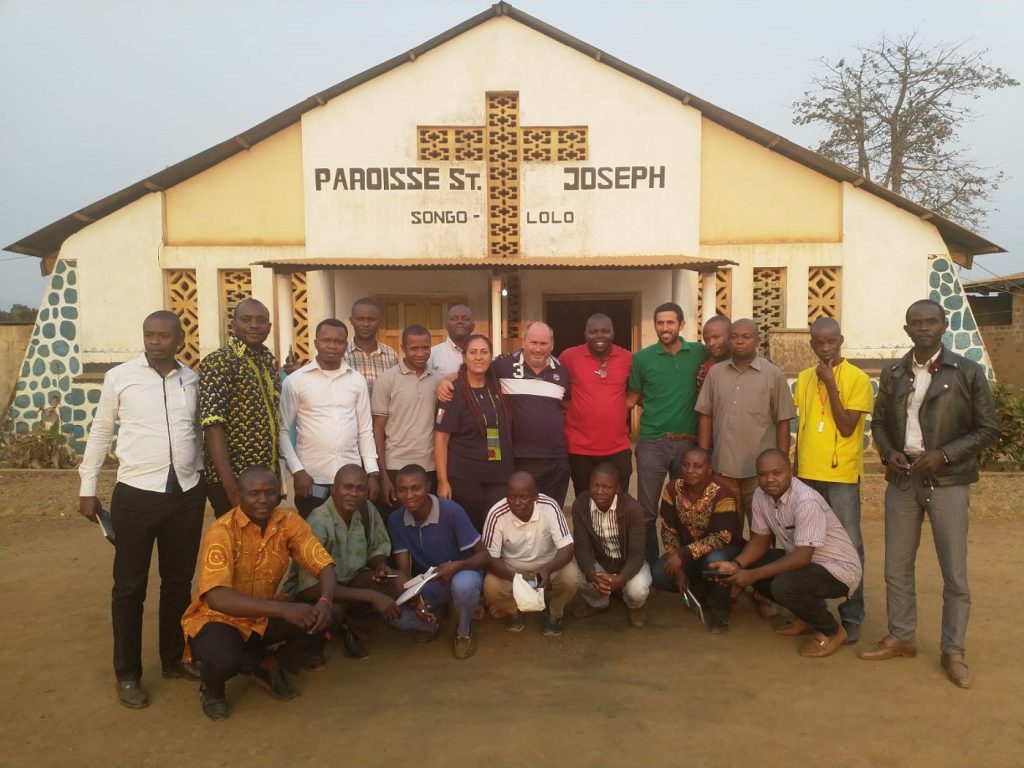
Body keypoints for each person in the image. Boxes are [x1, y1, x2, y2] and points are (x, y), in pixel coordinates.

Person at [859, 299, 999, 689]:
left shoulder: (967, 372)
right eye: (916, 323)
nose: (923, 328)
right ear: (906, 330)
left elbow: (988, 428)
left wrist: (945, 454)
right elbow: (882, 422)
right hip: (903, 482)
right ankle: (902, 636)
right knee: (896, 567)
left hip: (948, 482)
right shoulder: (892, 373)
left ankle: (953, 650)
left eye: (931, 321)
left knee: (954, 572)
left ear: (944, 325)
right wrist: (888, 451)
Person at [78, 310, 206, 708]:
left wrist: (201, 474)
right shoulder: (120, 377)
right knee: (130, 588)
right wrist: (88, 485)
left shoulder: (192, 379)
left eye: (164, 336)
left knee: (178, 582)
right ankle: (128, 674)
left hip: (185, 493)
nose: (155, 341)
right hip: (136, 494)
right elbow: (101, 430)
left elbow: (198, 431)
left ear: (179, 340)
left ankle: (173, 659)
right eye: (149, 334)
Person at [181, 467, 336, 721]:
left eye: (269, 493)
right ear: (238, 496)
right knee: (224, 659)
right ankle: (212, 689)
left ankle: (267, 664)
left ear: (279, 495)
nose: (262, 500)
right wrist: (284, 610)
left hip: (262, 615)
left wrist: (326, 601)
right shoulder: (222, 531)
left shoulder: (289, 522)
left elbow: (323, 564)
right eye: (254, 494)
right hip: (218, 619)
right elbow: (218, 598)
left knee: (324, 622)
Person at [709, 450, 862, 658]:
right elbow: (760, 540)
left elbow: (802, 557)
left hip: (837, 569)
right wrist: (736, 565)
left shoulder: (806, 501)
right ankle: (806, 617)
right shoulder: (761, 495)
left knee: (783, 586)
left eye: (777, 473)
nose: (769, 479)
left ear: (790, 470)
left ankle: (831, 630)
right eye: (762, 474)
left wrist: (751, 577)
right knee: (755, 564)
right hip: (806, 565)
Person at [283, 464, 432, 662]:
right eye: (347, 487)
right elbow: (311, 588)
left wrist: (380, 565)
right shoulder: (318, 522)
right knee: (333, 610)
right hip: (317, 591)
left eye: (360, 488)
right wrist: (371, 596)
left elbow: (377, 547)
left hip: (352, 579)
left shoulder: (366, 509)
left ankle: (351, 629)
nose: (354, 493)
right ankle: (314, 645)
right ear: (334, 489)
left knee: (399, 581)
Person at [794, 317, 873, 644]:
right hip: (808, 474)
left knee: (850, 544)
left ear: (841, 340)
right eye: (819, 343)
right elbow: (804, 429)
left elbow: (844, 426)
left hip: (840, 476)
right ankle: (815, 613)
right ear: (812, 344)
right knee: (809, 545)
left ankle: (852, 614)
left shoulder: (858, 379)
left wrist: (830, 383)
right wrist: (795, 471)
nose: (826, 348)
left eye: (832, 342)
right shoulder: (802, 378)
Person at [627, 302, 709, 564]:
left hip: (688, 444)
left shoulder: (699, 352)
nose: (665, 327)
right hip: (652, 442)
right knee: (647, 511)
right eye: (660, 323)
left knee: (688, 509)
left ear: (681, 325)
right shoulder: (642, 358)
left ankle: (687, 564)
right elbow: (636, 396)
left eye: (670, 322)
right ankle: (649, 567)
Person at [696, 318, 796, 525]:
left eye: (746, 337)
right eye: (734, 337)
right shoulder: (715, 373)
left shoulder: (773, 375)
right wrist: (704, 455)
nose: (739, 342)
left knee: (763, 529)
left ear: (757, 340)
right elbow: (705, 415)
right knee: (726, 528)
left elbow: (783, 421)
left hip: (760, 471)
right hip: (723, 467)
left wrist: (782, 462)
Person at [388, 464, 491, 660]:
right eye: (402, 489)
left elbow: (484, 556)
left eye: (415, 488)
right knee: (397, 616)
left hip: (461, 573)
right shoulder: (395, 519)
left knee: (464, 586)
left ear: (428, 487)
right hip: (430, 582)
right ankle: (436, 618)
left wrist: (456, 566)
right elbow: (403, 571)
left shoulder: (451, 511)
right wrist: (415, 599)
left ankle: (463, 631)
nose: (409, 495)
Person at [279, 318, 380, 517]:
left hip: (351, 480)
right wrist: (297, 471)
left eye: (338, 341)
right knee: (313, 539)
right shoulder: (296, 381)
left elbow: (365, 430)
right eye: (326, 340)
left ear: (346, 344)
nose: (332, 346)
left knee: (351, 537)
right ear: (316, 343)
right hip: (312, 480)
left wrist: (372, 472)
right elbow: (281, 430)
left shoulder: (356, 380)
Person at [199, 298, 280, 518]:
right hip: (235, 480)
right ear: (234, 324)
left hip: (265, 479)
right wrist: (229, 484)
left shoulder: (267, 362)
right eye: (246, 319)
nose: (254, 325)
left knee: (264, 545)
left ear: (269, 327)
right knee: (235, 545)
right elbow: (212, 425)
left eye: (261, 321)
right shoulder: (219, 362)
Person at [652, 447, 744, 634]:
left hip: (724, 550)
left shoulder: (722, 493)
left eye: (697, 466)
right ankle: (701, 591)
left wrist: (682, 554)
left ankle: (720, 611)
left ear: (710, 469)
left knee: (713, 562)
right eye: (686, 465)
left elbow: (722, 537)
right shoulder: (672, 489)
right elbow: (668, 529)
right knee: (659, 573)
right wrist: (676, 564)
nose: (690, 470)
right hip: (688, 553)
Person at [483, 472, 581, 637]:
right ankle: (513, 611)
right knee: (490, 586)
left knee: (572, 576)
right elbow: (490, 559)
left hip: (547, 566)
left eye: (523, 497)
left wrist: (548, 569)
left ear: (535, 495)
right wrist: (517, 578)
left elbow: (567, 548)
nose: (516, 503)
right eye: (511, 497)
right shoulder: (496, 514)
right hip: (512, 570)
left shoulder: (549, 507)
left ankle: (554, 613)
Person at [435, 334, 515, 530]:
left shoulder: (496, 386)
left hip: (499, 474)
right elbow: (441, 439)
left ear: (491, 356)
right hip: (465, 476)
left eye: (484, 352)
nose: (479, 357)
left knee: (495, 530)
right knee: (471, 532)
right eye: (473, 352)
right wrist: (442, 481)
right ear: (464, 357)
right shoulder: (452, 392)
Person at [488, 322, 572, 507]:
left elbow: (566, 405)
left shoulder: (562, 372)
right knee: (519, 513)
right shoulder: (502, 366)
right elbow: (473, 374)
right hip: (517, 458)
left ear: (552, 344)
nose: (538, 349)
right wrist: (445, 381)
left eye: (543, 344)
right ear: (523, 342)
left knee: (550, 515)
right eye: (533, 343)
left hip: (555, 459)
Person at [560, 313, 634, 495]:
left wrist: (623, 406)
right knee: (585, 501)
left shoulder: (627, 358)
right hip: (580, 448)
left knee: (618, 501)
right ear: (585, 334)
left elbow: (635, 389)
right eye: (593, 331)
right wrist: (576, 410)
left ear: (613, 333)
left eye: (604, 331)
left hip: (618, 446)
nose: (599, 335)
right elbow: (559, 389)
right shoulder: (569, 357)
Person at [570, 463, 650, 627]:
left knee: (637, 590)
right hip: (600, 563)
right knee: (573, 572)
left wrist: (620, 579)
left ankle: (634, 606)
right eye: (596, 485)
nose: (600, 491)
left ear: (617, 488)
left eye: (606, 487)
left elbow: (637, 554)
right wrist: (593, 574)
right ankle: (599, 603)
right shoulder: (580, 504)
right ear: (589, 485)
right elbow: (582, 547)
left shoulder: (632, 508)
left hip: (627, 562)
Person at [372, 324, 440, 506]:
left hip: (429, 466)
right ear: (403, 349)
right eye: (414, 348)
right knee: (397, 525)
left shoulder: (438, 380)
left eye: (425, 347)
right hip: (396, 466)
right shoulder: (387, 380)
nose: (420, 353)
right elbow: (377, 428)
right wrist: (383, 475)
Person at [344, 297, 399, 397]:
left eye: (371, 319)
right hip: (352, 412)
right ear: (351, 321)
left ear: (380, 321)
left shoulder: (390, 354)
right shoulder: (342, 354)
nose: (366, 324)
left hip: (383, 412)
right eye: (360, 319)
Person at [429, 304, 475, 376]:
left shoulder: (483, 353)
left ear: (473, 326)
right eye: (454, 319)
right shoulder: (433, 354)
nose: (460, 321)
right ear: (446, 325)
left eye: (465, 319)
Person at [696, 315, 731, 394]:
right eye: (707, 340)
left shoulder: (757, 365)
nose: (711, 343)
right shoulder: (704, 371)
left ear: (731, 335)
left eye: (716, 337)